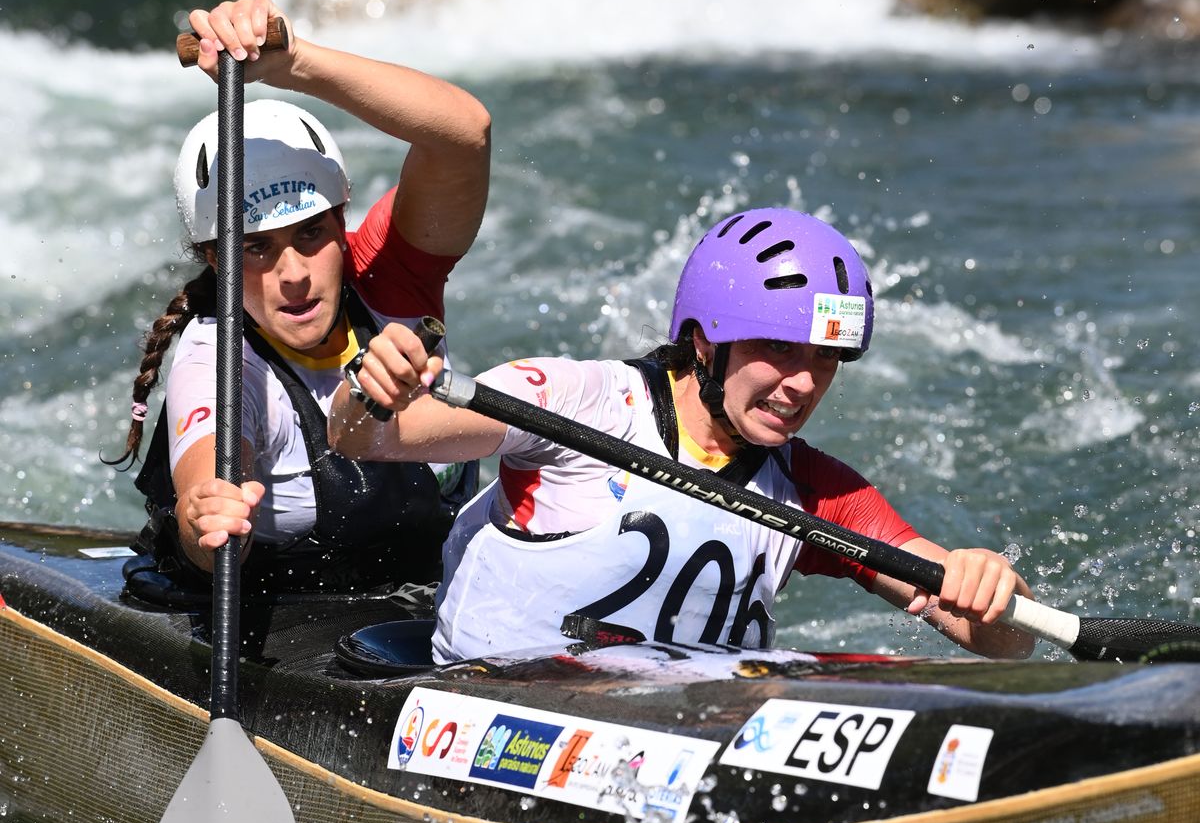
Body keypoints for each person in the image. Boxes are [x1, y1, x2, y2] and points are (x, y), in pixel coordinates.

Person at [326, 205, 1035, 661]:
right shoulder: (582, 403)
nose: (803, 384)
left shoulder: (816, 494)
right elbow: (368, 438)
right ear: (704, 343)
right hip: (489, 713)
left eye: (826, 360)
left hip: (669, 730)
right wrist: (372, 386)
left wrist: (989, 587)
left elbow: (1000, 643)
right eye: (780, 350)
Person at [109, 0, 490, 593]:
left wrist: (291, 62)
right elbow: (204, 485)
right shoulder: (218, 362)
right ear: (216, 259)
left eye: (311, 234)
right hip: (291, 620)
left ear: (343, 224)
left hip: (432, 600)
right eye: (255, 248)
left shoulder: (392, 280)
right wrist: (206, 518)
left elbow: (463, 135)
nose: (293, 273)